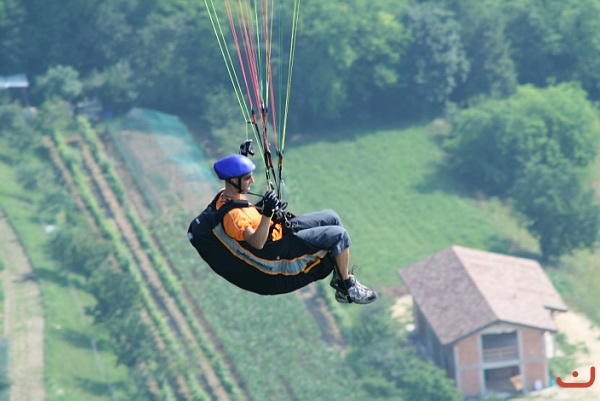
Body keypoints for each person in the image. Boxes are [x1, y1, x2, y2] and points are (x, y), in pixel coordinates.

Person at [188, 153, 377, 304]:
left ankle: (339, 277)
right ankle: (346, 287)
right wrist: (267, 213)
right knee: (339, 235)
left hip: (277, 228)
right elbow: (257, 243)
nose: (252, 181)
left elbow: (248, 209)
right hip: (277, 247)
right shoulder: (234, 217)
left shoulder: (227, 194)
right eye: (247, 177)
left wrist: (241, 157)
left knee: (332, 217)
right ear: (233, 180)